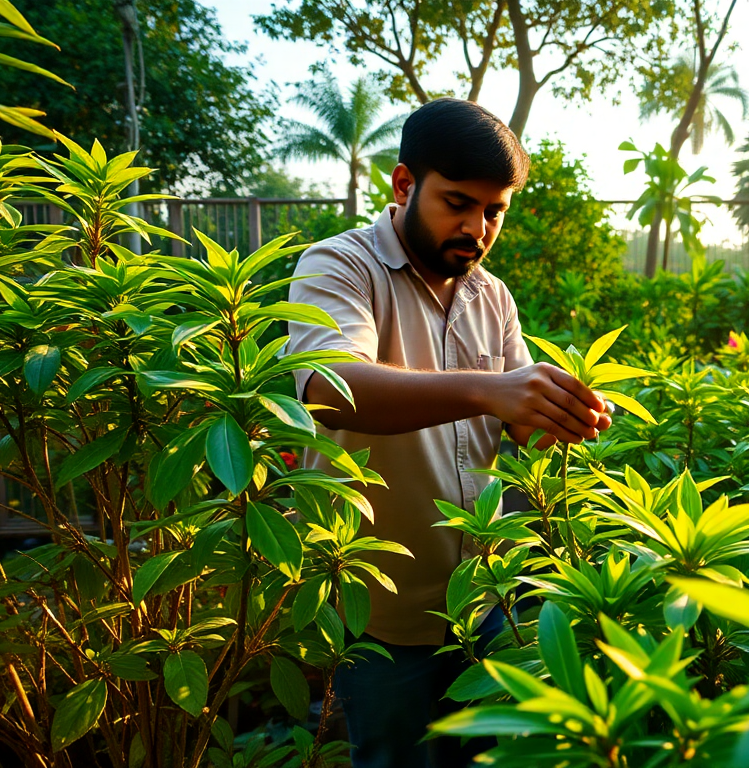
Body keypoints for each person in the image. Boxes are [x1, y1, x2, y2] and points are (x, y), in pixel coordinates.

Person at [284, 98, 612, 768]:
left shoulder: (491, 295)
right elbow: (331, 386)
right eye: (458, 203)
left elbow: (515, 427)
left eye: (494, 211)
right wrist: (489, 388)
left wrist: (555, 416)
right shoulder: (340, 267)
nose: (477, 227)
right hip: (386, 616)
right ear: (404, 185)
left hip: (487, 603)